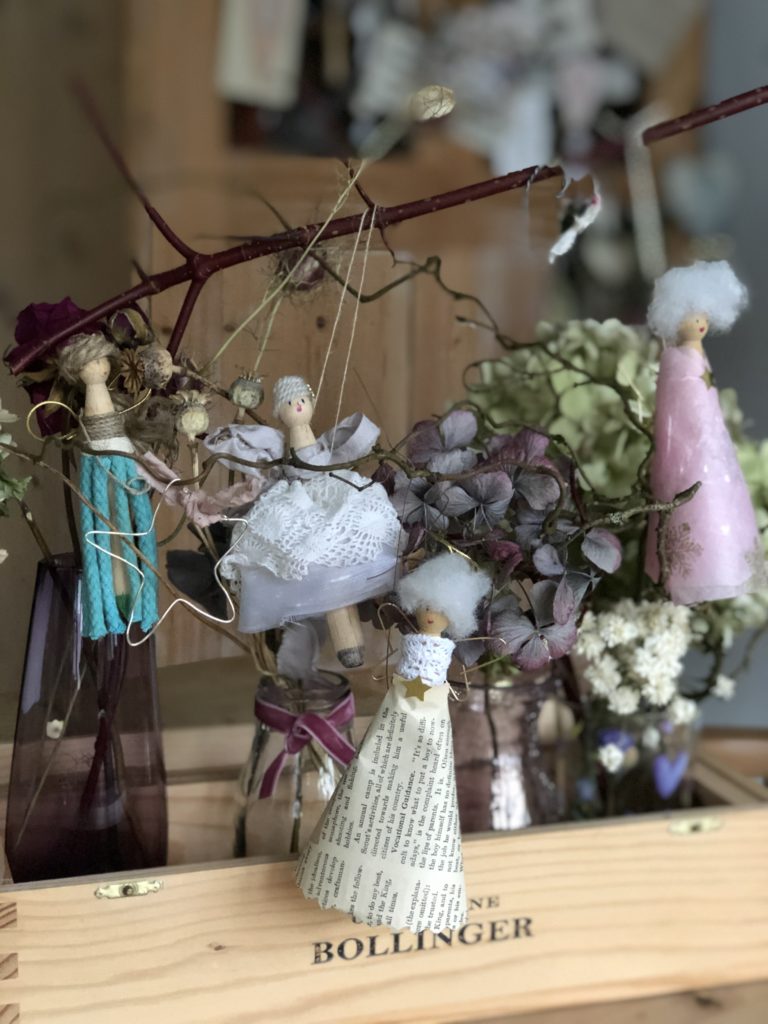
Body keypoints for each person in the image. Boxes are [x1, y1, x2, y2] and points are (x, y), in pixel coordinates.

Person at [645, 261, 765, 603]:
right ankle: (694, 570)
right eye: (690, 316)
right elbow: (680, 406)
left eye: (702, 316)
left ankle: (719, 564)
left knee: (718, 504)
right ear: (672, 317)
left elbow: (703, 398)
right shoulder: (677, 361)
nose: (699, 323)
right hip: (690, 446)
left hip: (711, 445)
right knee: (693, 503)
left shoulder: (693, 357)